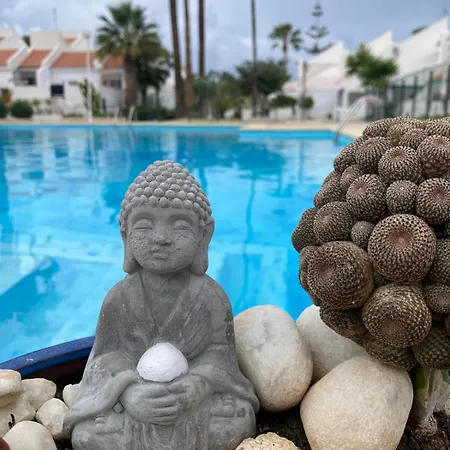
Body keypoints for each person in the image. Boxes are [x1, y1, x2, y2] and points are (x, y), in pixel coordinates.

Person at [63, 160, 259, 450]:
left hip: (191, 403)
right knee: (87, 435)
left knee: (237, 420)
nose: (161, 238)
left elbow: (221, 357)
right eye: (144, 225)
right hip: (135, 403)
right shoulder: (118, 298)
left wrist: (198, 385)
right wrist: (129, 393)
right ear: (125, 235)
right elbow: (104, 358)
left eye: (179, 226)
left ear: (204, 235)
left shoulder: (212, 297)